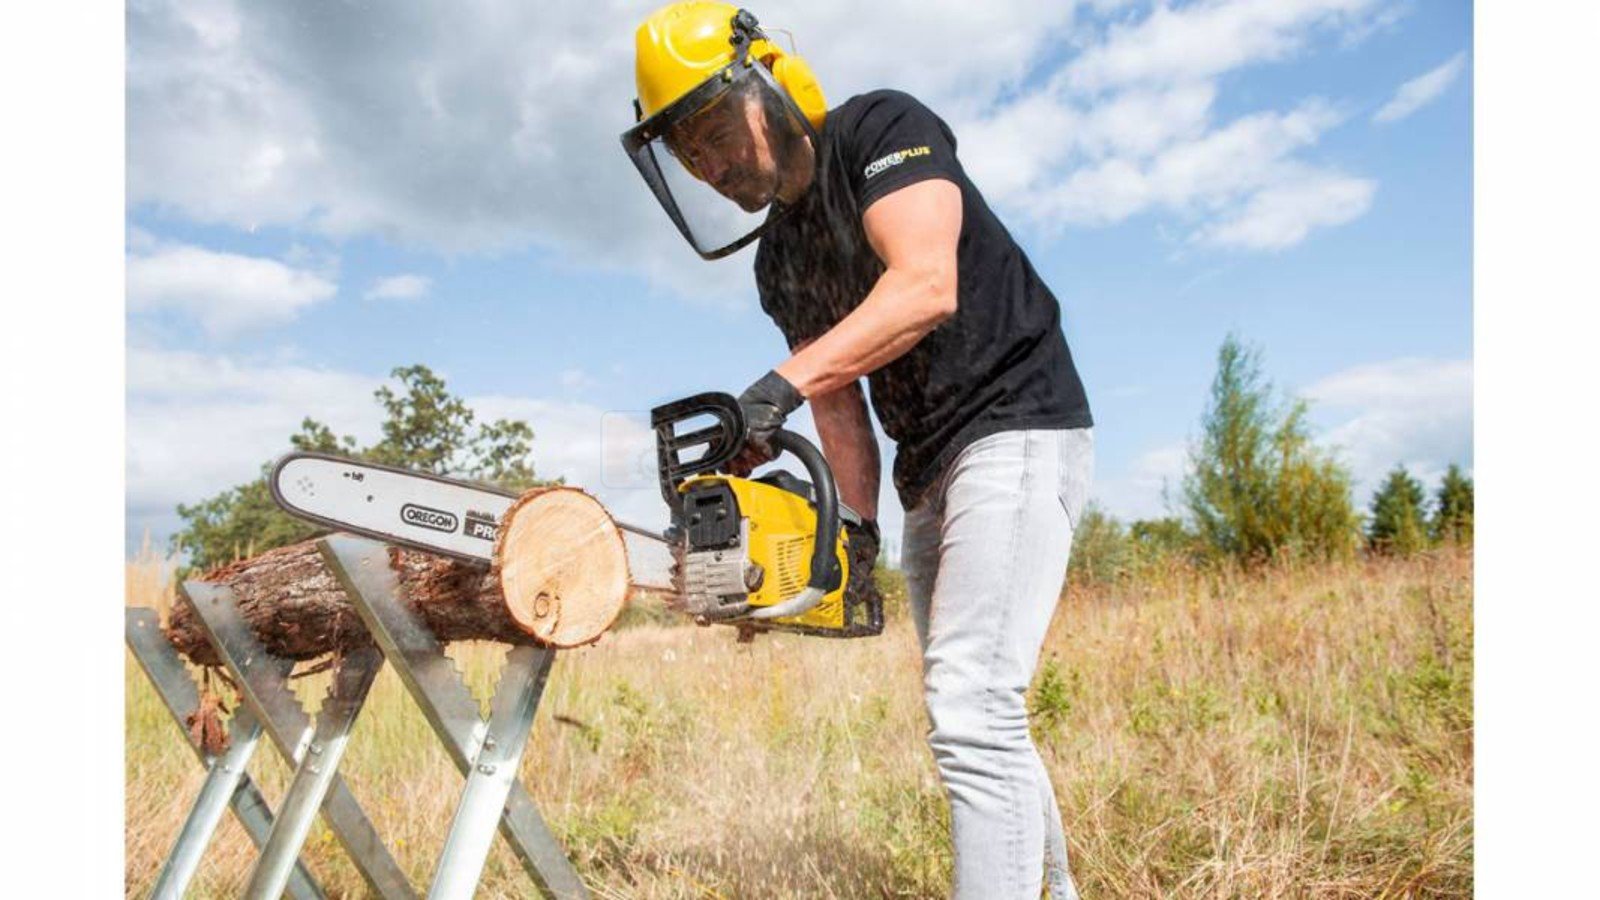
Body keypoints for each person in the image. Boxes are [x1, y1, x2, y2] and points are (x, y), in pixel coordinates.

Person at [622, 4, 1094, 897]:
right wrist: (857, 529)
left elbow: (925, 284)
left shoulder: (883, 130)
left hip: (1017, 423)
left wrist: (777, 387)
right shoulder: (777, 262)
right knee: (980, 711)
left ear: (774, 86)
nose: (715, 164)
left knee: (973, 709)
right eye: (693, 155)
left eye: (719, 130)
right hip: (927, 465)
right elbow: (838, 406)